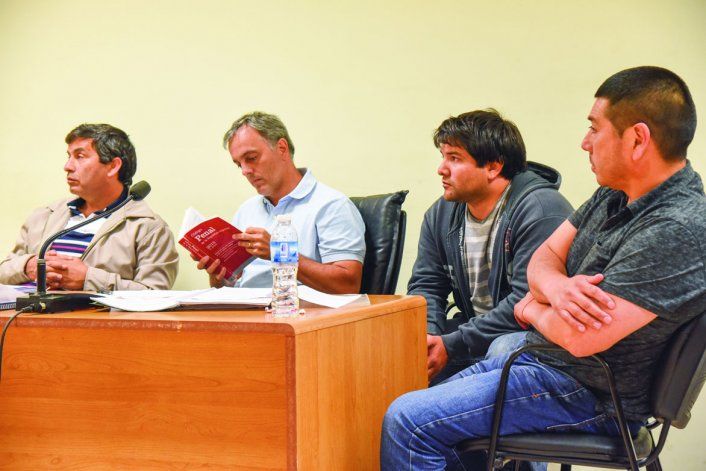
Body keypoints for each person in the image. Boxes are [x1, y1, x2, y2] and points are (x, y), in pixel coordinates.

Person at [381, 66, 706, 470]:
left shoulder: (675, 227)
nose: (585, 142)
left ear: (637, 139)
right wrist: (554, 288)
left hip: (590, 393)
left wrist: (531, 307)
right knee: (414, 403)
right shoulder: (614, 193)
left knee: (407, 421)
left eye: (595, 128)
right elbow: (545, 257)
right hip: (547, 361)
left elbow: (581, 339)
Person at [408, 109, 572, 384]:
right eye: (443, 156)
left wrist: (453, 343)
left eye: (454, 158)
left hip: (531, 337)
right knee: (400, 349)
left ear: (493, 167)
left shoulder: (541, 209)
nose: (441, 168)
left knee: (502, 348)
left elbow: (526, 300)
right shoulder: (439, 215)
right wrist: (428, 337)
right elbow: (427, 284)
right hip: (471, 334)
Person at [195, 112, 365, 293]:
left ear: (282, 148)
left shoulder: (332, 205)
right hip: (245, 307)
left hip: (295, 307)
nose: (245, 171)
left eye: (251, 158)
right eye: (239, 164)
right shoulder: (246, 210)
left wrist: (279, 252)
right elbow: (231, 286)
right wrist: (218, 277)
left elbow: (348, 285)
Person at [0, 124, 179, 291]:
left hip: (88, 316)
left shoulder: (149, 227)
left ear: (113, 166)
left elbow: (154, 295)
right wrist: (28, 266)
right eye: (69, 156)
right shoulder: (45, 215)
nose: (67, 166)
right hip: (20, 312)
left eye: (80, 156)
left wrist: (89, 279)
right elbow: (4, 271)